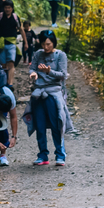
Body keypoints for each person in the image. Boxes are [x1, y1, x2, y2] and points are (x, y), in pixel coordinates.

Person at [28, 29, 72, 167]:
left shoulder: (60, 55)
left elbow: (63, 74)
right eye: (43, 44)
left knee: (56, 124)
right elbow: (32, 68)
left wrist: (49, 71)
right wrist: (33, 74)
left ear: (53, 43)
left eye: (49, 44)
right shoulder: (38, 54)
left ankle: (60, 154)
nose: (46, 47)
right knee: (39, 125)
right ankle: (42, 155)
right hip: (38, 92)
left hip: (53, 92)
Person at [0, 0, 28, 89]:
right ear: (3, 8)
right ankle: (3, 82)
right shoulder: (0, 17)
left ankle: (10, 83)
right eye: (6, 7)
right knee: (2, 65)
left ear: (12, 8)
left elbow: (21, 29)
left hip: (12, 44)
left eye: (9, 8)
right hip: (1, 43)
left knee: (11, 63)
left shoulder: (15, 17)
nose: (7, 9)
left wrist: (26, 43)